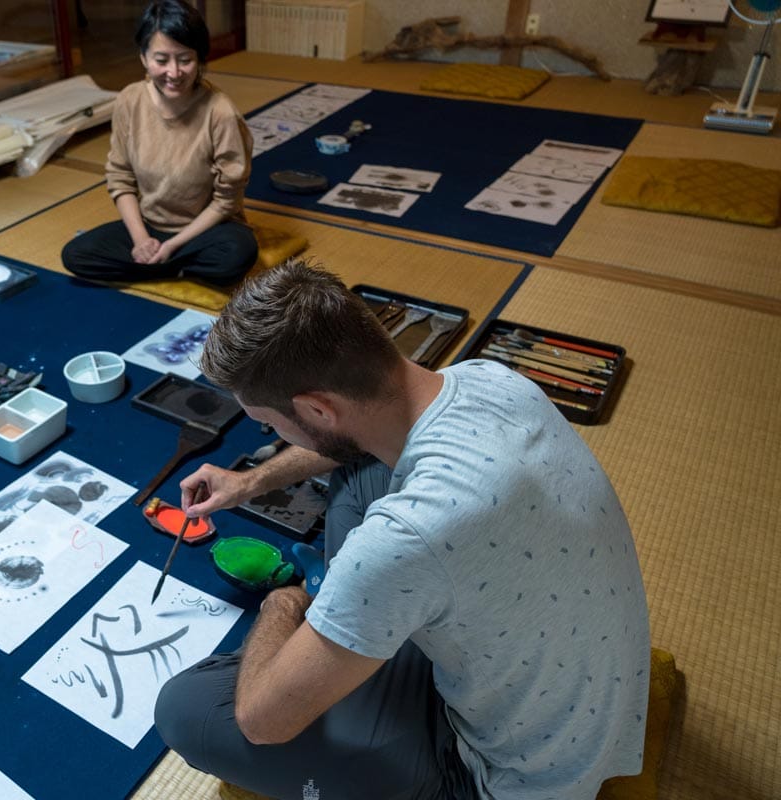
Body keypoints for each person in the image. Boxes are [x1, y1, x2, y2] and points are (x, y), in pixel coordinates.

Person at [154, 259, 651, 800]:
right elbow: (355, 441)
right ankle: (348, 616)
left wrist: (285, 603)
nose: (269, 431)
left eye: (269, 423)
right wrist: (248, 482)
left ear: (317, 409)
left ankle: (337, 616)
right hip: (587, 698)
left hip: (503, 775)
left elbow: (260, 723)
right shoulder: (488, 377)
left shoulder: (405, 537)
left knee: (187, 709)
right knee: (365, 469)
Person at [61, 0, 258, 286]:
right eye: (161, 60)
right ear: (143, 57)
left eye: (185, 59)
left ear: (200, 58)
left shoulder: (221, 112)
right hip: (149, 226)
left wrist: (172, 246)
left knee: (239, 252)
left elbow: (226, 201)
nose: (174, 73)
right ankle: (173, 268)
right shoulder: (130, 99)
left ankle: (161, 264)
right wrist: (141, 239)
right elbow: (120, 178)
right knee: (76, 255)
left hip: (203, 232)